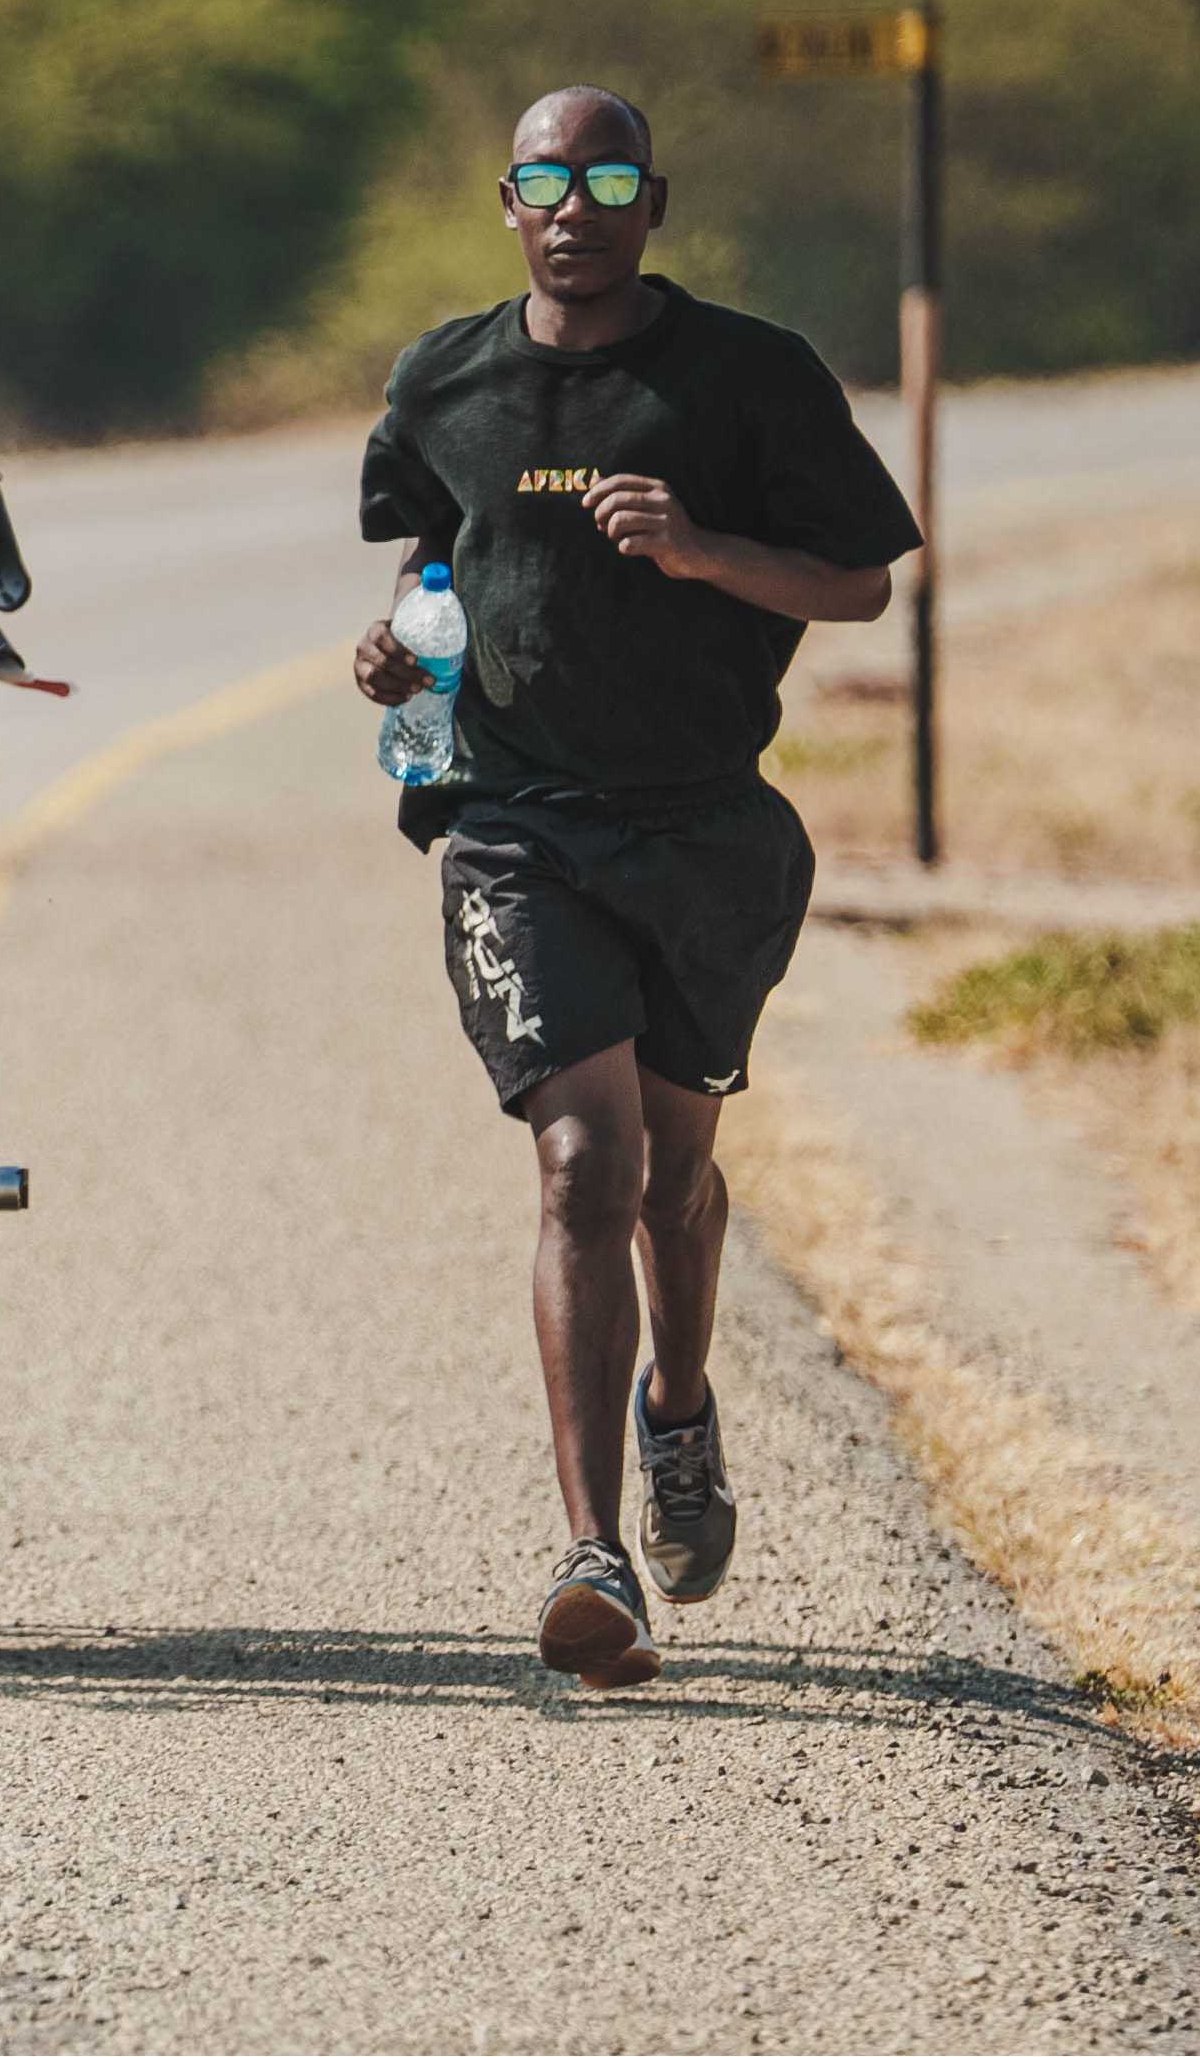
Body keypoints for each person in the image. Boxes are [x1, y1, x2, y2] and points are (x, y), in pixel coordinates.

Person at [351, 87, 919, 1689]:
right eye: (547, 178)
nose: (574, 204)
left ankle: (684, 1410)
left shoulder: (749, 378)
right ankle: (594, 1551)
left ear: (654, 201)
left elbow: (862, 578)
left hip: (704, 837)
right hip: (515, 826)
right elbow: (433, 567)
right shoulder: (446, 380)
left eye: (607, 178)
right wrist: (396, 653)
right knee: (582, 1163)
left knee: (678, 1176)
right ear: (508, 199)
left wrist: (703, 549)